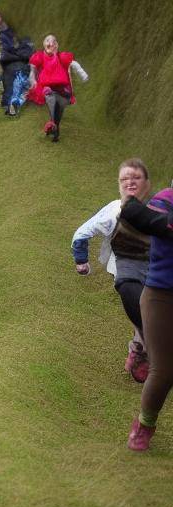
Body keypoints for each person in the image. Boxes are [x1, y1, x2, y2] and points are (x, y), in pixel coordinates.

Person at [71, 159, 152, 383]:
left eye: (136, 178)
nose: (131, 183)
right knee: (146, 314)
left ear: (147, 183)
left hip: (156, 272)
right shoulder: (115, 210)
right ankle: (141, 352)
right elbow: (82, 233)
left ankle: (140, 349)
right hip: (128, 275)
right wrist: (81, 261)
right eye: (125, 179)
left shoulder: (159, 206)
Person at [120, 187, 173, 450]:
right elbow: (136, 214)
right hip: (160, 296)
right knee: (164, 371)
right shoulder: (165, 199)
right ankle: (145, 425)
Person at [28, 34, 89, 142]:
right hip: (47, 87)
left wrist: (82, 74)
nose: (50, 43)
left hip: (62, 89)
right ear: (43, 44)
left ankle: (54, 126)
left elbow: (73, 64)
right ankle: (54, 126)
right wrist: (32, 80)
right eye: (47, 40)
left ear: (57, 45)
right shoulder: (39, 56)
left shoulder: (62, 57)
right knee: (50, 96)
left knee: (59, 108)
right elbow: (32, 71)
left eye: (53, 41)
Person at [0, 34, 34, 115]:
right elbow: (4, 59)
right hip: (15, 69)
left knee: (15, 88)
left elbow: (29, 56)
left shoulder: (24, 46)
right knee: (17, 88)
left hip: (19, 69)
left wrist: (15, 56)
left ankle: (11, 104)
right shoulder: (7, 48)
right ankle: (12, 103)